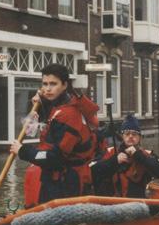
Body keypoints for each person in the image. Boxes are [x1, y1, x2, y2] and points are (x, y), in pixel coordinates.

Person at [9, 64, 98, 205]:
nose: (48, 89)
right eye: (44, 84)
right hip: (55, 179)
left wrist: (23, 151)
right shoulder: (56, 107)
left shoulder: (69, 115)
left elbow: (56, 158)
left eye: (53, 84)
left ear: (64, 85)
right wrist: (41, 103)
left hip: (67, 183)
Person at [90, 113, 159, 198]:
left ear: (139, 137)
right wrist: (115, 161)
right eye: (127, 133)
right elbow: (91, 170)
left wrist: (139, 156)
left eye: (134, 134)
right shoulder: (109, 152)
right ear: (122, 136)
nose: (130, 136)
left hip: (137, 205)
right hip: (111, 205)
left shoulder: (146, 154)